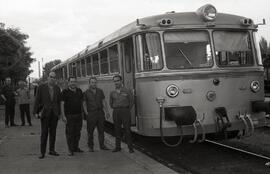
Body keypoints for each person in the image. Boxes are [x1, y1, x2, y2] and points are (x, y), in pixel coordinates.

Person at [33, 71, 61, 159]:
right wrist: (35, 112)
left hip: (54, 113)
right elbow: (37, 100)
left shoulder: (57, 88)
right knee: (44, 133)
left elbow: (58, 102)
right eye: (51, 76)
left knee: (53, 133)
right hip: (45, 113)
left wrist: (59, 113)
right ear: (48, 77)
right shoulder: (41, 87)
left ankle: (52, 150)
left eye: (54, 77)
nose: (52, 78)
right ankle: (42, 152)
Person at [83, 77, 110, 152]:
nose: (94, 84)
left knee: (101, 130)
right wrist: (86, 113)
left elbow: (104, 101)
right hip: (91, 113)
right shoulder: (86, 92)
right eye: (92, 82)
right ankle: (91, 147)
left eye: (95, 82)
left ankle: (102, 145)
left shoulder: (100, 91)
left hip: (100, 113)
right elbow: (84, 104)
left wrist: (107, 112)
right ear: (89, 83)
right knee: (90, 131)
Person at [109, 75, 134, 153]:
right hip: (116, 112)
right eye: (115, 81)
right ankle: (118, 147)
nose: (116, 82)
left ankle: (130, 148)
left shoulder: (127, 90)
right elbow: (111, 103)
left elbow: (131, 101)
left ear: (121, 81)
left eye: (117, 80)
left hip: (125, 111)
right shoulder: (112, 92)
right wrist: (116, 108)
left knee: (127, 130)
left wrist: (126, 109)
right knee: (117, 130)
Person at [60, 76, 84, 156]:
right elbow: (62, 104)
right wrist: (63, 116)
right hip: (69, 116)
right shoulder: (64, 92)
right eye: (71, 81)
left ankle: (76, 147)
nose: (73, 83)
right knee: (70, 133)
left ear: (76, 83)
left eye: (74, 81)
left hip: (78, 115)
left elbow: (82, 103)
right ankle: (70, 150)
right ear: (68, 82)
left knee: (77, 132)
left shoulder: (79, 91)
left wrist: (83, 113)